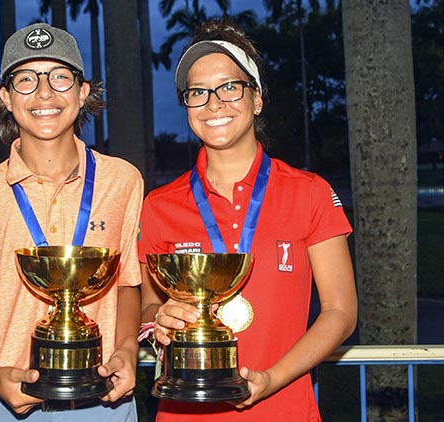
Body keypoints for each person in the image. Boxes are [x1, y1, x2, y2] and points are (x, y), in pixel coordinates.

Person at [138, 20, 357, 421]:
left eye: (229, 87)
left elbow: (340, 312)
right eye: (198, 92)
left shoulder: (309, 192)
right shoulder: (158, 205)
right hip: (184, 412)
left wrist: (272, 379)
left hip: (286, 407)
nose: (213, 103)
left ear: (256, 98)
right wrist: (158, 320)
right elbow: (149, 305)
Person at [0, 22, 143, 421]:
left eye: (60, 77)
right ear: (6, 97)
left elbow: (127, 284)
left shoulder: (123, 180)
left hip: (104, 402)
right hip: (7, 405)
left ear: (83, 92)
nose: (45, 93)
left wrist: (127, 350)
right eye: (27, 80)